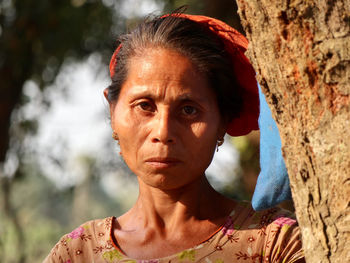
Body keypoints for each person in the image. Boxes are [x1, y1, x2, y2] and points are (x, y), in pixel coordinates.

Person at [44, 11, 305, 263]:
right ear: (113, 111)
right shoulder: (79, 253)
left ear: (222, 122)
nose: (163, 133)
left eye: (189, 110)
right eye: (144, 106)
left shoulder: (276, 245)